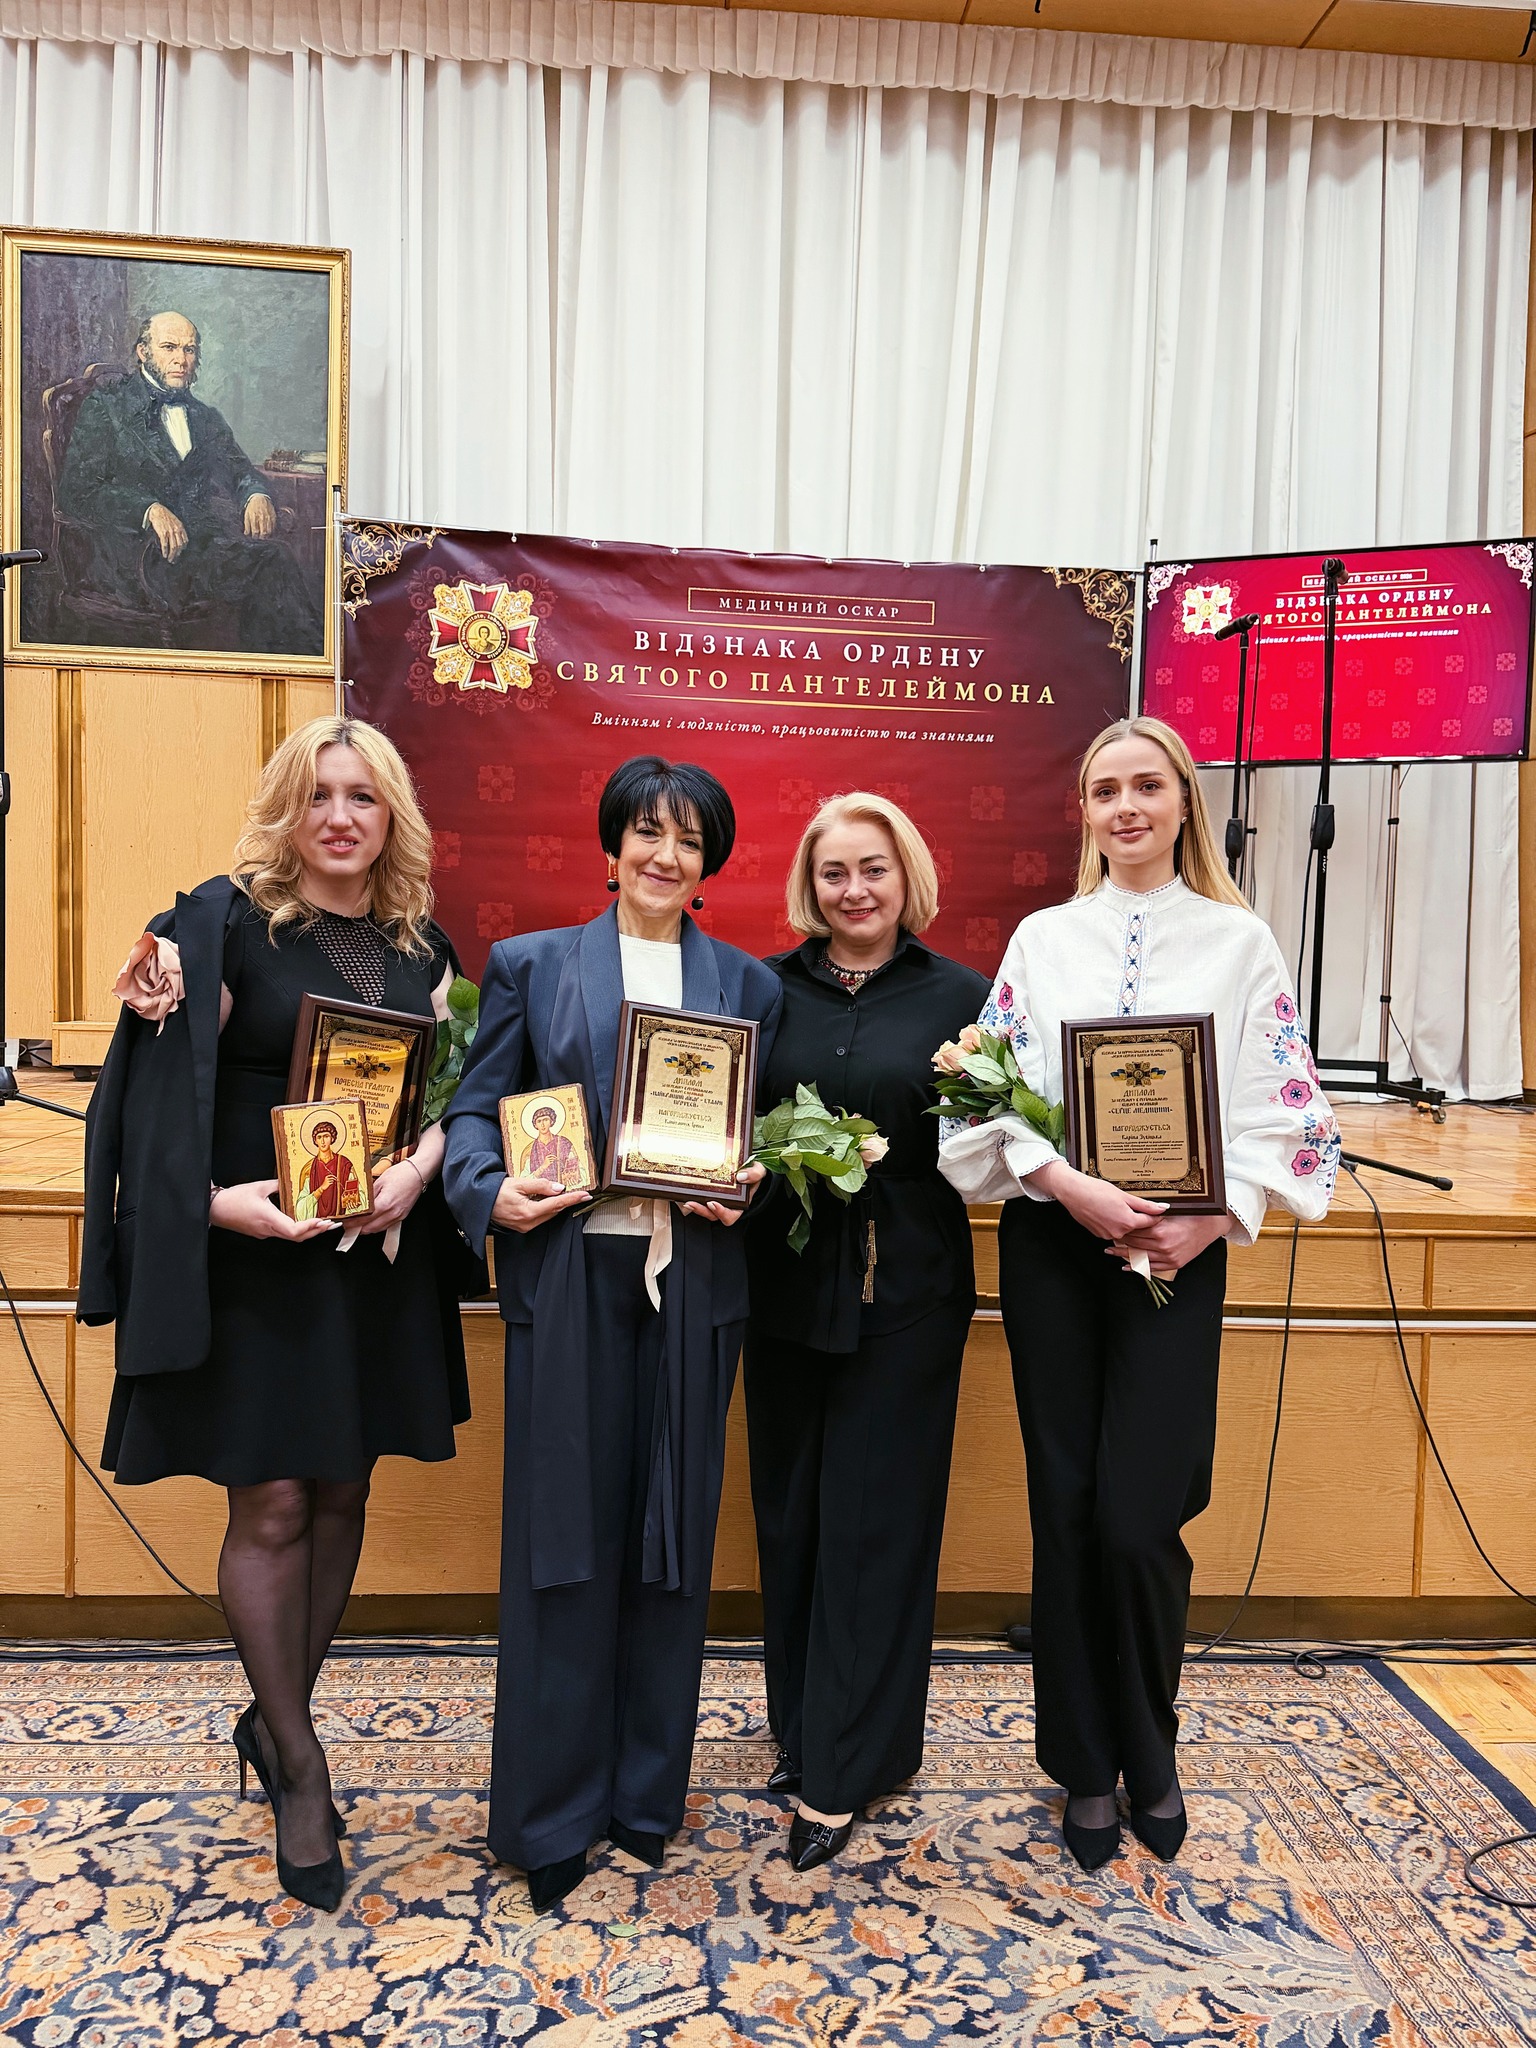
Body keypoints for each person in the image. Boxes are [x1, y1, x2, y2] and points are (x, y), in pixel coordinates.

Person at [80, 715, 472, 1914]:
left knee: (344, 1488)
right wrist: (216, 1206)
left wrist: (421, 1171)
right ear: (287, 810)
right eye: (318, 795)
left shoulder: (424, 944)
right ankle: (301, 1763)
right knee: (276, 1499)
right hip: (256, 1257)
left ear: (392, 815)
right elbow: (153, 1096)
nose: (339, 817)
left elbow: (455, 1094)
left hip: (368, 1260)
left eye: (362, 796)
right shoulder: (216, 924)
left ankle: (272, 1716)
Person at [939, 715, 1339, 1872]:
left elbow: (1288, 1107)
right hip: (1055, 1245)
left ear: (1182, 803)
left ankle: (1149, 1746)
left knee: (1140, 1512)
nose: (1126, 806)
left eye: (1146, 785)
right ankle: (1083, 1762)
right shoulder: (1043, 938)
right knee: (1067, 1506)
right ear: (1085, 810)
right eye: (1105, 788)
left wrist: (1213, 1216)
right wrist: (1066, 1186)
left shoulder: (1239, 941)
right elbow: (985, 1097)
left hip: (1177, 1253)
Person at [443, 756, 782, 1914]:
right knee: (563, 1544)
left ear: (709, 861)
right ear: (612, 844)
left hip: (692, 1288)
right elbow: (474, 1110)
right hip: (573, 1279)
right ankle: (550, 1813)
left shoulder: (747, 984)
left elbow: (759, 1139)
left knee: (671, 1541)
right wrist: (489, 1188)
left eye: (688, 839)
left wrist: (748, 1182)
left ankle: (643, 1798)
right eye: (647, 831)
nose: (664, 854)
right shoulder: (533, 965)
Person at [743, 794, 989, 1871]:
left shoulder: (965, 997)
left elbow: (992, 1148)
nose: (855, 890)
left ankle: (844, 1773)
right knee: (793, 1515)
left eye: (874, 869)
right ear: (811, 883)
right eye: (834, 871)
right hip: (784, 1287)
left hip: (909, 1295)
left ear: (907, 877)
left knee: (876, 1526)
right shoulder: (762, 991)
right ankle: (807, 1731)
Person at [54, 310, 322, 654]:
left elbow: (239, 468)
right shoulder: (107, 407)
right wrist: (148, 509)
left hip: (200, 552)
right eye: (169, 347)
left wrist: (255, 494)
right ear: (143, 352)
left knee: (274, 559)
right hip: (133, 560)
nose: (181, 359)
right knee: (270, 566)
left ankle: (288, 668)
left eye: (189, 349)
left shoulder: (203, 416)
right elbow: (77, 492)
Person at [299, 1119, 362, 1219]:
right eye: (319, 1137)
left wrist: (352, 1202)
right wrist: (321, 1189)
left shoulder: (344, 1164)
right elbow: (300, 1208)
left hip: (343, 1221)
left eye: (326, 1136)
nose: (323, 1141)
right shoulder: (309, 1169)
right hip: (316, 1223)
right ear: (315, 1141)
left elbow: (358, 1193)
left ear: (332, 1138)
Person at [519, 1103, 583, 1188]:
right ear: (535, 1125)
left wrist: (572, 1178)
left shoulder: (564, 1143)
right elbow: (522, 1182)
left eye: (545, 1120)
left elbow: (580, 1170)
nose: (542, 1124)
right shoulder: (529, 1150)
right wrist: (542, 1167)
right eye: (539, 1121)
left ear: (551, 1121)